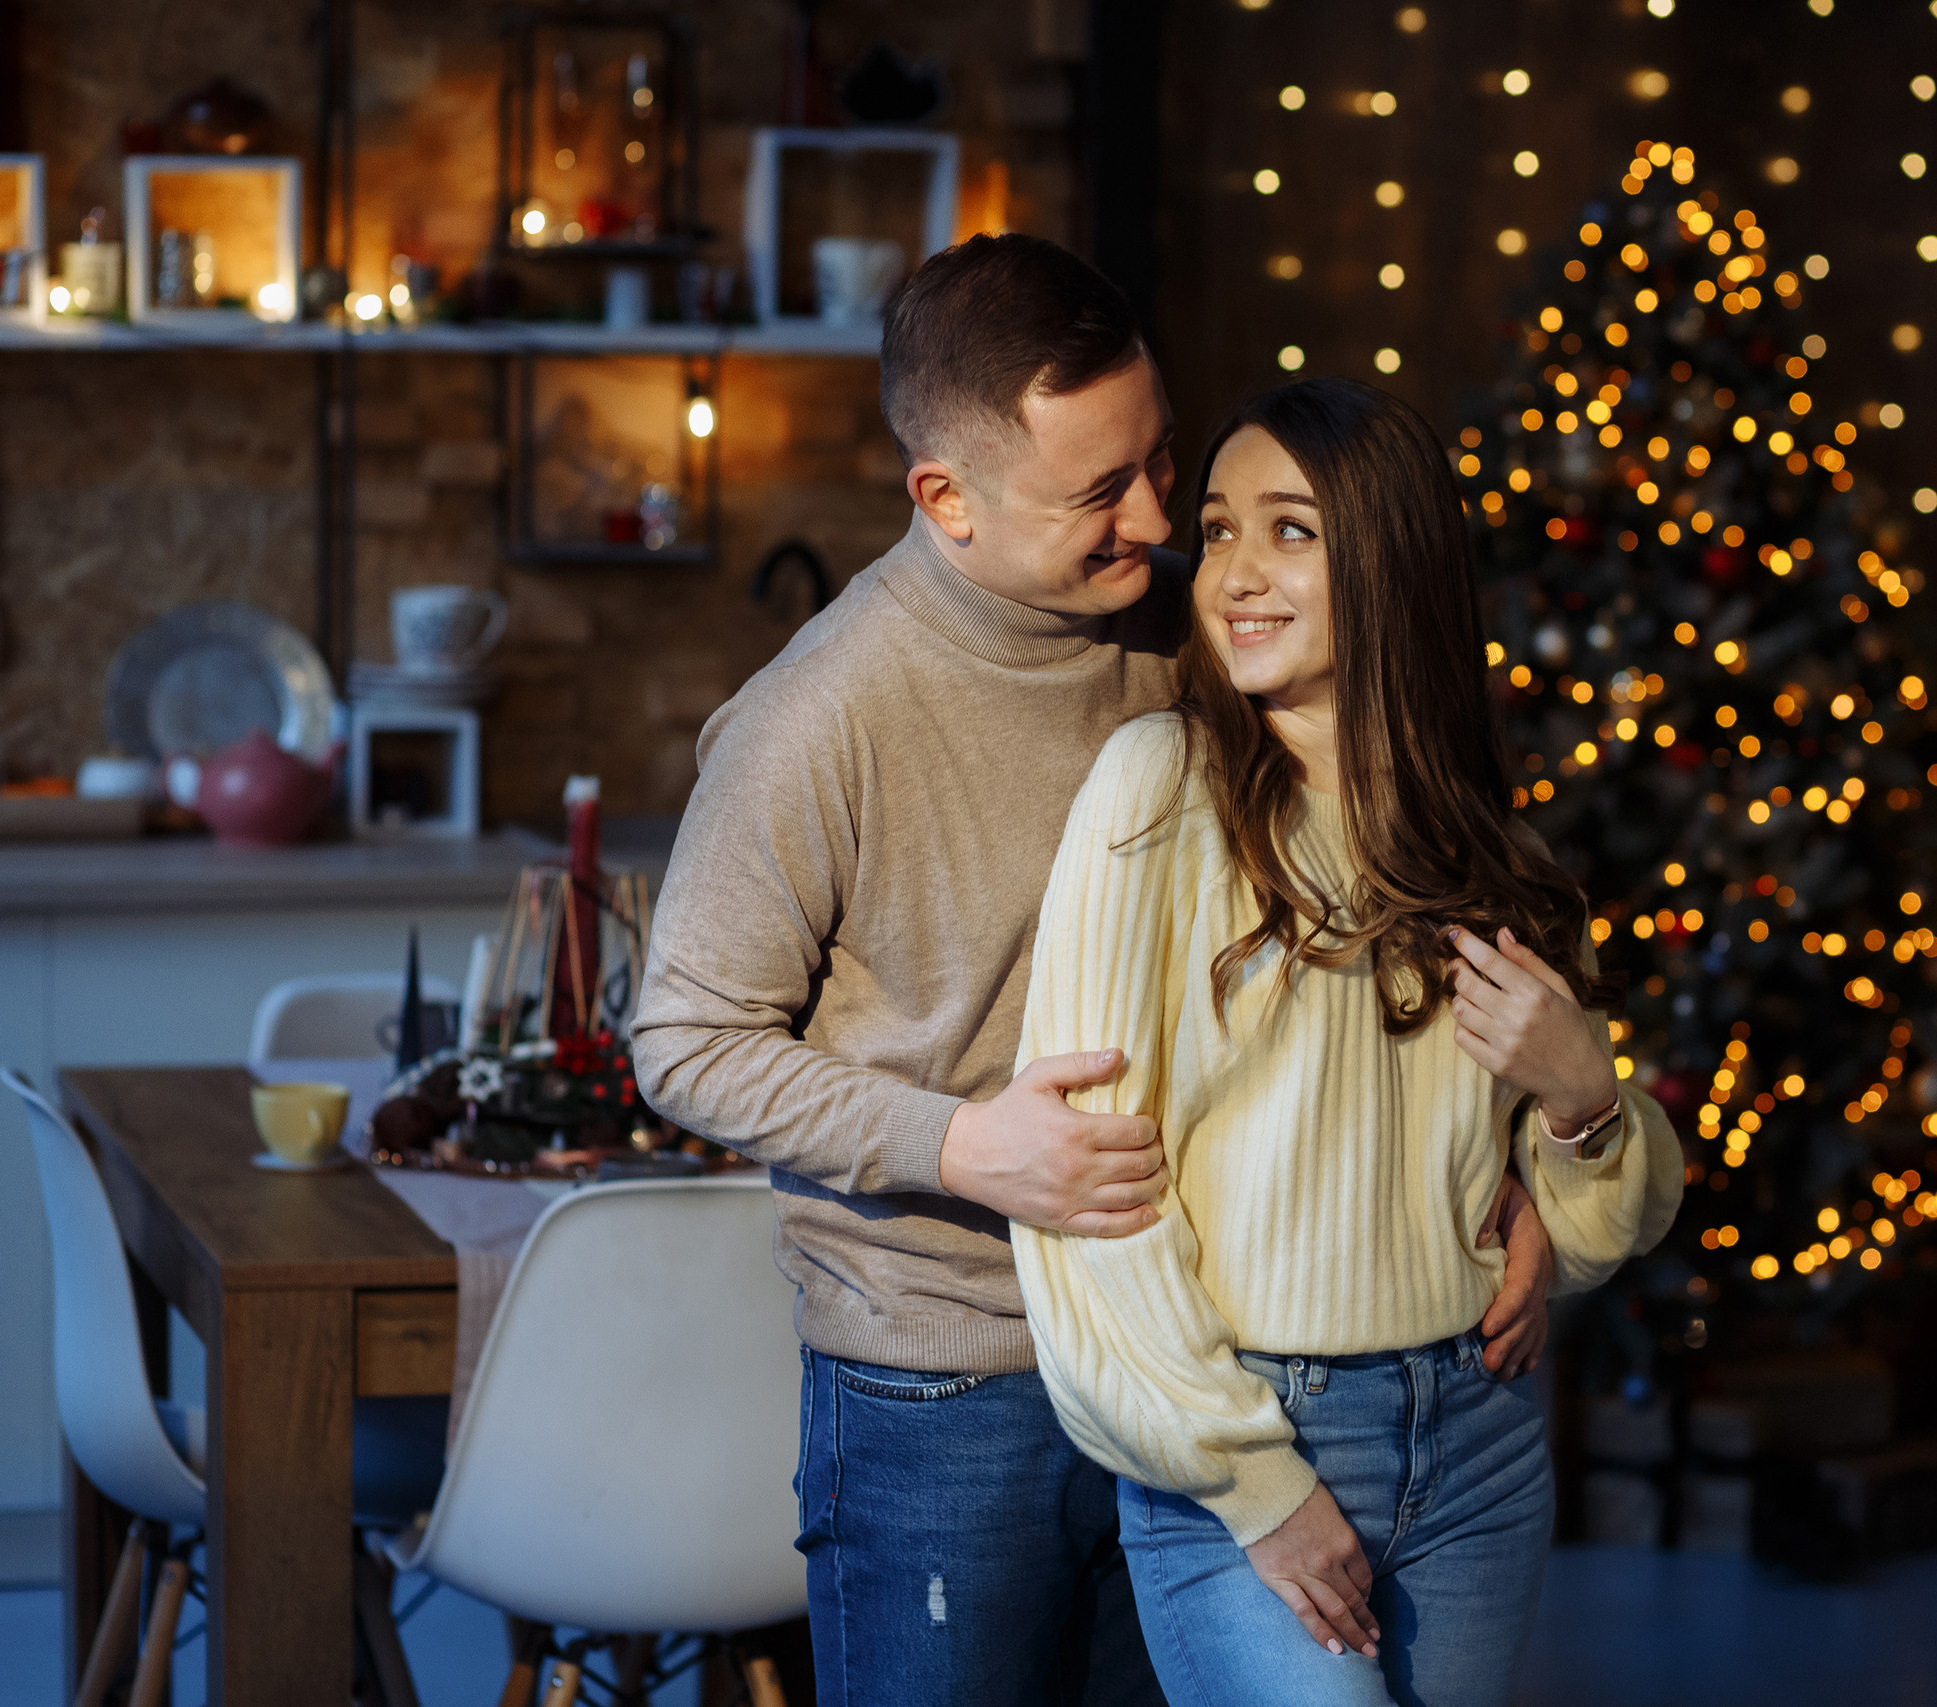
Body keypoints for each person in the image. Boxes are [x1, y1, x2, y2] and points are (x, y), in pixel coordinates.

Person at [633, 237, 1558, 1706]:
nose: (1156, 520)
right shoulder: (818, 720)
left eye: (1159, 460)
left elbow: (1354, 898)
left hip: (1202, 1353)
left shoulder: (1192, 623)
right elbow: (683, 1041)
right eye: (1097, 494)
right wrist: (958, 1141)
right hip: (951, 1383)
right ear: (945, 497)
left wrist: (1479, 1161)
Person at [1011, 376, 1687, 1707]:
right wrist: (1251, 1483)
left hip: (1480, 1444)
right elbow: (1089, 1194)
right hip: (1253, 1429)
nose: (1235, 575)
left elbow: (1603, 1232)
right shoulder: (1158, 792)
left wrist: (1580, 1104)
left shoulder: (1498, 860)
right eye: (1217, 530)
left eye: (1290, 531)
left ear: (1389, 560)